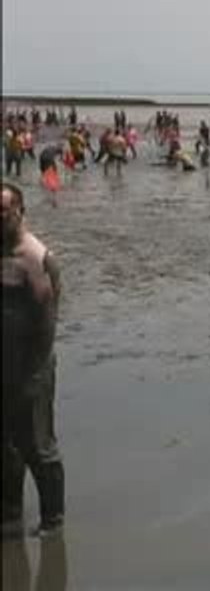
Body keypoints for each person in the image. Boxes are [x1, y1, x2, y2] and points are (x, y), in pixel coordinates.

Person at [1, 182, 65, 539]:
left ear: (20, 212)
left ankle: (53, 520)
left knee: (37, 446)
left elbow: (47, 326)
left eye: (3, 213)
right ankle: (9, 516)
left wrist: (33, 377)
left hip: (31, 370)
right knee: (5, 446)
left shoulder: (37, 258)